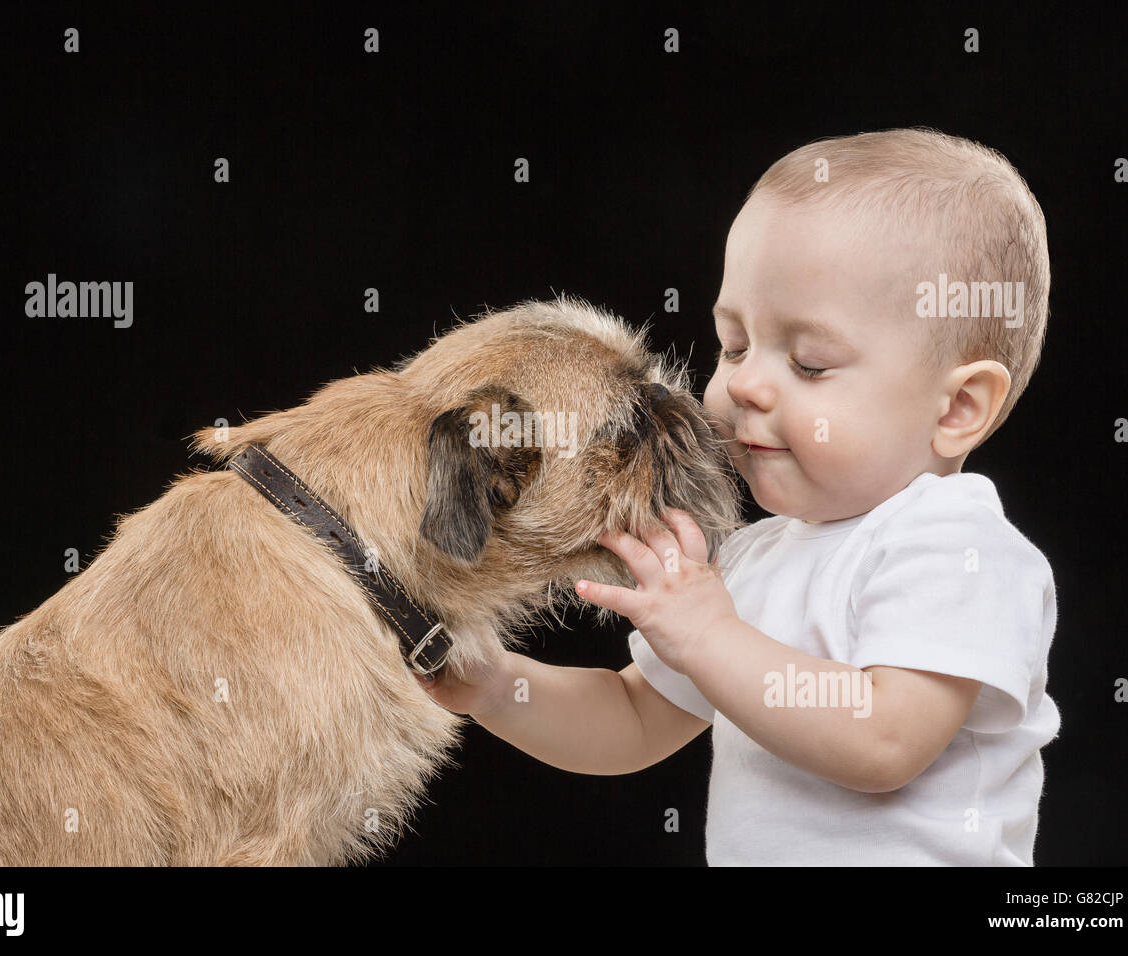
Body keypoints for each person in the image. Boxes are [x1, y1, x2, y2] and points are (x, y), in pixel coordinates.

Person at [420, 128, 1061, 865]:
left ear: (957, 410)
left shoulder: (957, 546)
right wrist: (501, 688)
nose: (743, 385)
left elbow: (885, 741)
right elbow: (631, 721)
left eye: (810, 363)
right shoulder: (753, 562)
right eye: (733, 345)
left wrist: (710, 637)